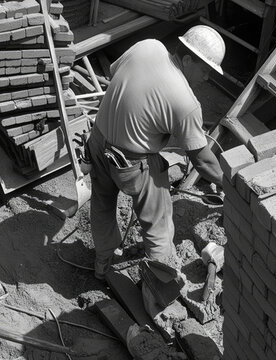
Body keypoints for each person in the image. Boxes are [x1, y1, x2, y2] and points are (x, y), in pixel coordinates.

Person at [87, 25, 226, 282]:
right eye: (205, 71)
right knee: (159, 223)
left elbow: (114, 72)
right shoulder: (186, 102)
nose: (206, 78)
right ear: (186, 59)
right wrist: (229, 183)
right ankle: (161, 285)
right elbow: (202, 161)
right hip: (130, 163)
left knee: (103, 203)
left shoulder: (147, 45)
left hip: (97, 143)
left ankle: (102, 264)